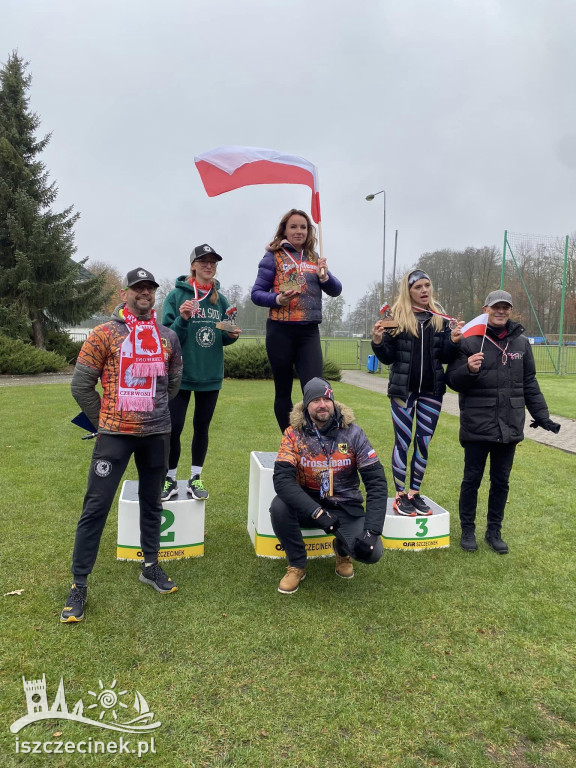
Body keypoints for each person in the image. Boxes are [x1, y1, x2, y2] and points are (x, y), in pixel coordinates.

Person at [61, 268, 183, 623]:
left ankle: (150, 566)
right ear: (124, 292)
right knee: (95, 507)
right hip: (114, 436)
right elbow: (80, 386)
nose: (144, 293)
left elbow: (172, 384)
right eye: (138, 288)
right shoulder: (104, 335)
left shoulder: (167, 337)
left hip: (157, 434)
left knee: (152, 502)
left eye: (149, 288)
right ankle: (79, 584)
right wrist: (106, 420)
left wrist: (153, 411)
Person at [446, 290, 560, 554]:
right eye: (495, 307)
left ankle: (494, 531)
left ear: (511, 311)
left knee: (501, 481)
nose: (500, 311)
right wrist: (469, 370)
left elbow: (529, 382)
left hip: (509, 424)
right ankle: (468, 531)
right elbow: (451, 379)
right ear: (485, 309)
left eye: (505, 307)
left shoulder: (520, 342)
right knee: (471, 480)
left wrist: (542, 416)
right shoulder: (470, 340)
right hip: (477, 424)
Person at [270, 377, 388, 594]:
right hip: (308, 504)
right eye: (315, 400)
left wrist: (372, 531)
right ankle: (297, 564)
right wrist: (316, 512)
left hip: (344, 504)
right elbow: (282, 480)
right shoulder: (293, 434)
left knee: (372, 553)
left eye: (326, 398)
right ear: (306, 405)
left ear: (333, 401)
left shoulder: (354, 433)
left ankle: (342, 550)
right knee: (279, 506)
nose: (322, 404)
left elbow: (376, 481)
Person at [371, 269, 463, 516]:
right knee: (403, 441)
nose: (424, 290)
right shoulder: (396, 317)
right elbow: (388, 357)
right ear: (408, 290)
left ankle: (414, 492)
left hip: (432, 392)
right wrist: (378, 341)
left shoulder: (439, 318)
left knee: (423, 442)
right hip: (403, 391)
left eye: (427, 285)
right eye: (418, 287)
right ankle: (400, 495)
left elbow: (444, 356)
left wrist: (454, 340)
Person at [160, 244, 240, 501]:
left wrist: (231, 335)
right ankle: (170, 478)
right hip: (180, 375)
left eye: (213, 262)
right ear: (193, 266)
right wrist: (182, 318)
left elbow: (222, 338)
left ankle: (196, 477)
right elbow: (167, 338)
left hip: (210, 375)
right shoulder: (175, 296)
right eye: (203, 262)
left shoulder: (220, 299)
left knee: (201, 428)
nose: (209, 266)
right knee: (174, 427)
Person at [251, 209, 342, 432]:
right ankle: (290, 440)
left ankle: (314, 438)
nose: (298, 231)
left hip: (308, 332)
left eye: (303, 227)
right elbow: (256, 294)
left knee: (315, 389)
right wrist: (278, 299)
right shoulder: (273, 256)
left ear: (309, 231)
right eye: (293, 227)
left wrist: (325, 277)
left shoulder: (314, 258)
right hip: (280, 331)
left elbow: (336, 290)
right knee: (283, 390)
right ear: (285, 230)